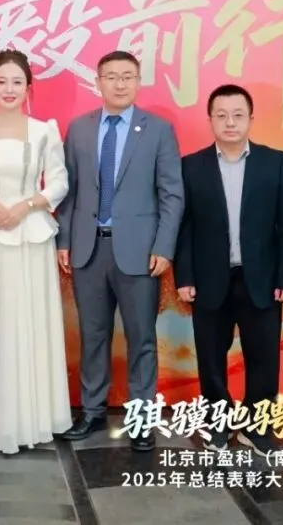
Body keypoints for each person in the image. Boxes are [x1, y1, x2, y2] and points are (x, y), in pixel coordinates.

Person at [56, 51, 184, 452]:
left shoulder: (158, 130)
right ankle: (92, 410)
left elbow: (172, 193)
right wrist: (64, 240)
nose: (120, 83)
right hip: (88, 249)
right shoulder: (79, 129)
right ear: (98, 82)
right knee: (92, 335)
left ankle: (141, 419)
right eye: (111, 76)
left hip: (140, 253)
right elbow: (68, 191)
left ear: (138, 81)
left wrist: (164, 246)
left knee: (141, 337)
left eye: (128, 76)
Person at [0, 51, 72, 455]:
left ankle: (34, 414)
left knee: (31, 319)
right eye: (1, 81)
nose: (9, 89)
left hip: (32, 236)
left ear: (28, 87)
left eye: (17, 82)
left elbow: (59, 182)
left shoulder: (44, 131)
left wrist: (27, 205)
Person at [174, 84, 283, 455]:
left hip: (261, 278)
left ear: (250, 119)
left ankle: (258, 427)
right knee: (211, 357)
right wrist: (185, 277)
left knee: (264, 357)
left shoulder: (275, 162)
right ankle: (218, 424)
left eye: (238, 115)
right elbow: (184, 227)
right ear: (210, 119)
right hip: (209, 278)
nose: (230, 122)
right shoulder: (191, 166)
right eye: (222, 115)